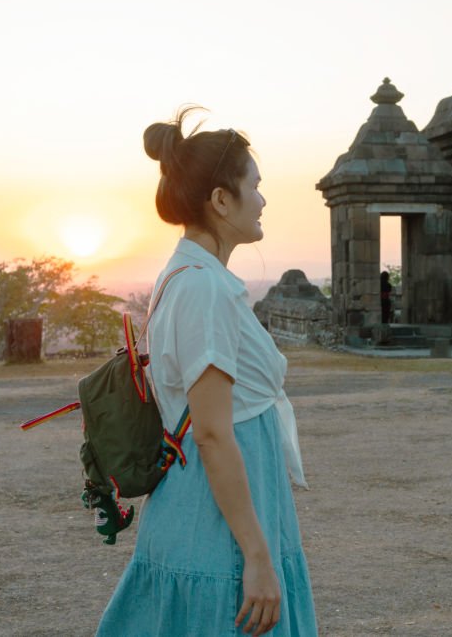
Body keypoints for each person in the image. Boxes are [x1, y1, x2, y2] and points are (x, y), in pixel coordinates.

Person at [97, 107, 317, 636]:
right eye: (255, 186)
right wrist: (258, 557)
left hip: (227, 503)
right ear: (222, 199)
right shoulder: (203, 287)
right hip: (214, 520)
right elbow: (214, 434)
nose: (263, 200)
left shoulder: (197, 277)